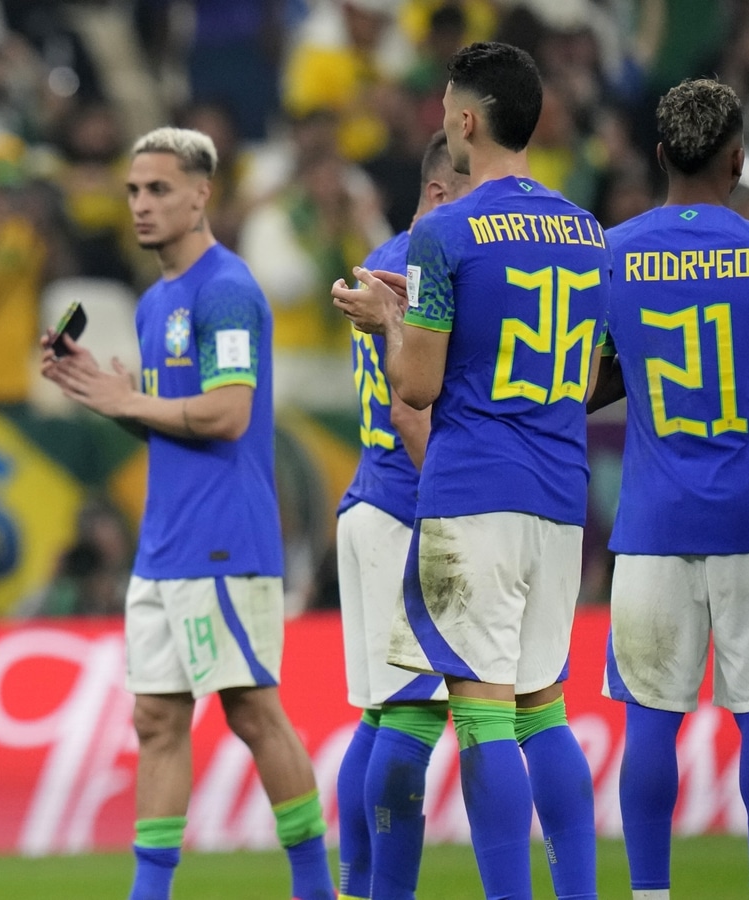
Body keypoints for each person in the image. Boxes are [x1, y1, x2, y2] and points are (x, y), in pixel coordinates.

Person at [331, 41, 607, 900]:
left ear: (465, 119)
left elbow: (414, 385)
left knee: (479, 718)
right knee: (544, 709)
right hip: (562, 495)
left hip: (473, 494)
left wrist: (388, 318)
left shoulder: (442, 232)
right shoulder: (586, 229)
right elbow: (597, 376)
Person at [41, 127, 333, 900]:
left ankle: (315, 889)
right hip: (163, 545)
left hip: (224, 541)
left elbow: (231, 413)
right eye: (134, 190)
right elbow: (167, 417)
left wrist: (129, 397)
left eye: (159, 189)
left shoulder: (226, 289)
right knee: (156, 721)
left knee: (252, 711)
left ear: (201, 194)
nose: (141, 204)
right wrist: (102, 393)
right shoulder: (156, 301)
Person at [591, 78, 749, 900]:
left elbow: (588, 387)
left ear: (659, 157)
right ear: (736, 159)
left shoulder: (610, 253)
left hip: (652, 521)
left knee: (649, 719)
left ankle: (650, 893)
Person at [332, 132, 465, 900]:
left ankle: (357, 890)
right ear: (443, 192)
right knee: (409, 723)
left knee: (384, 719)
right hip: (404, 506)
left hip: (371, 501)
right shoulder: (431, 266)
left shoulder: (381, 257)